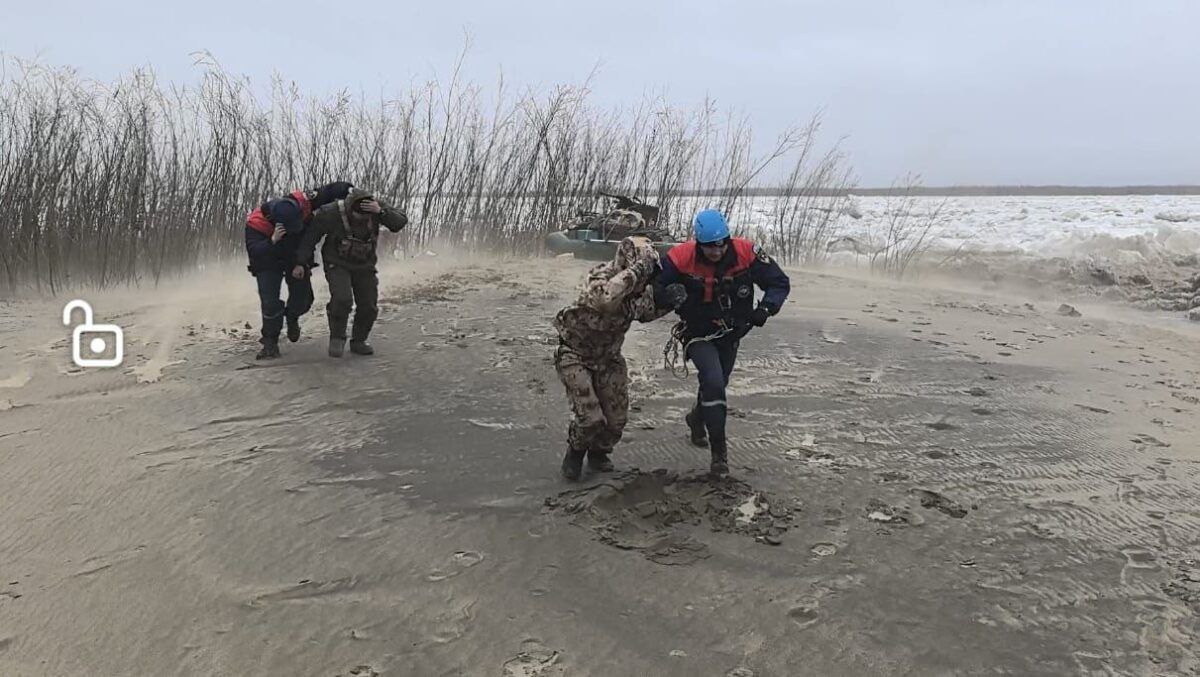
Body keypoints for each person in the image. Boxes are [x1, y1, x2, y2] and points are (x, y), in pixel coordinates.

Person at [652, 209, 790, 477]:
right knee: (714, 381)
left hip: (732, 332)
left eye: (720, 244)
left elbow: (780, 283)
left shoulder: (747, 252)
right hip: (697, 332)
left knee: (719, 383)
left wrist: (766, 309)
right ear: (698, 244)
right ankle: (719, 457)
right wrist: (668, 293)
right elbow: (654, 284)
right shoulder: (680, 257)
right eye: (709, 247)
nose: (716, 251)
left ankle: (697, 417)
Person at [553, 237, 686, 480]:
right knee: (590, 418)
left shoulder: (638, 291)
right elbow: (605, 299)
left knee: (616, 420)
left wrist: (669, 302)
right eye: (644, 268)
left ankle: (598, 454)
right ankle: (575, 452)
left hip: (609, 357)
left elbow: (644, 313)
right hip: (575, 354)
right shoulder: (600, 277)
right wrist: (635, 271)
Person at [244, 181, 354, 359]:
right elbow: (254, 250)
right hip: (268, 258)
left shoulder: (302, 201)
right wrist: (272, 241)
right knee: (270, 302)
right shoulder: (256, 223)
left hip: (295, 254)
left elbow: (329, 190)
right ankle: (270, 342)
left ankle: (292, 316)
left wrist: (351, 192)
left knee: (303, 299)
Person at [296, 187, 408, 357]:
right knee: (342, 299)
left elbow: (399, 222)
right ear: (349, 211)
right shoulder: (331, 213)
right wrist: (300, 262)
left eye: (366, 217)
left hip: (365, 264)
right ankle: (337, 337)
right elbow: (311, 237)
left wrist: (381, 212)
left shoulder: (376, 209)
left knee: (369, 304)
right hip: (337, 262)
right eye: (358, 216)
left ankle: (359, 340)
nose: (362, 220)